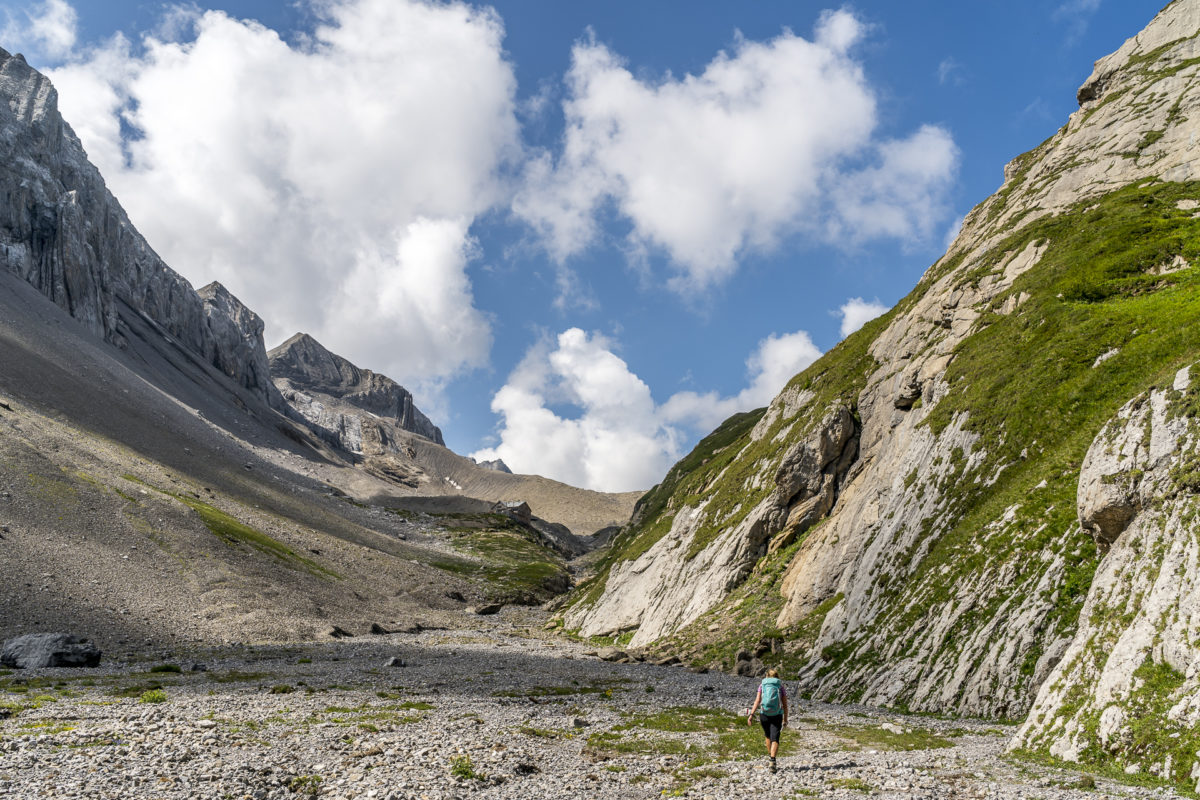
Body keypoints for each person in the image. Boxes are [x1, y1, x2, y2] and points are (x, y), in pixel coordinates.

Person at [746, 668, 788, 773]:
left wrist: (751, 714)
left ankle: (771, 758)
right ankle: (772, 760)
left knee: (768, 736)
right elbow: (785, 705)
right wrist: (785, 719)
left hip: (764, 714)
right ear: (777, 676)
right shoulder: (780, 687)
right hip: (777, 714)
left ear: (767, 676)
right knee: (775, 738)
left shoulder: (762, 686)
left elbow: (757, 700)